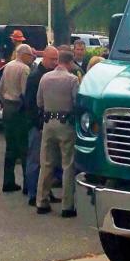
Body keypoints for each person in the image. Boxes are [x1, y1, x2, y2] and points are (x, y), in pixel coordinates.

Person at [36, 49, 80, 217]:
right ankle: (67, 205)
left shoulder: (45, 77)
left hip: (48, 122)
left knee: (46, 162)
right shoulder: (72, 79)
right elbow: (77, 102)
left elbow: (39, 101)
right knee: (67, 164)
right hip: (66, 123)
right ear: (69, 63)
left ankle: (42, 201)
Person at [24, 46, 59, 206]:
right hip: (38, 125)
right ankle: (32, 193)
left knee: (48, 161)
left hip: (48, 124)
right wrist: (38, 124)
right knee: (35, 160)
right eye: (52, 59)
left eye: (57, 59)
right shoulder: (35, 77)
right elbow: (30, 104)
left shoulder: (49, 76)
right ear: (44, 58)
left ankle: (45, 191)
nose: (55, 62)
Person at [0, 43, 34, 191]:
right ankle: (27, 184)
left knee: (10, 147)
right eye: (30, 55)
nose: (32, 58)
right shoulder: (24, 69)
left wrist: (4, 101)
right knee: (24, 148)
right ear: (24, 54)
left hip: (8, 107)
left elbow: (0, 88)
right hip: (19, 109)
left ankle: (8, 181)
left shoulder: (8, 66)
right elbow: (26, 92)